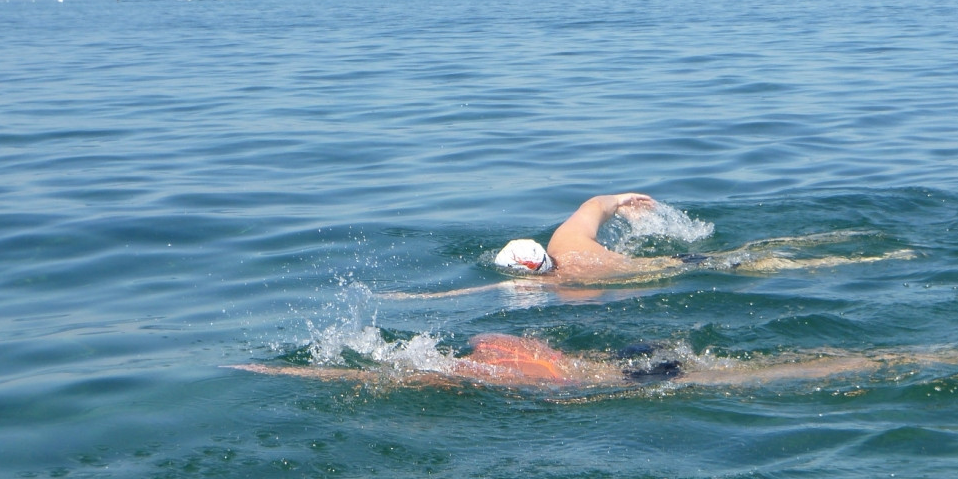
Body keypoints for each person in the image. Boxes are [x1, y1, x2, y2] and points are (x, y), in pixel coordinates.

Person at [387, 193, 916, 298]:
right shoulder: (567, 241)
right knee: (771, 248)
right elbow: (595, 202)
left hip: (675, 271)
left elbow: (462, 297)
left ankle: (872, 257)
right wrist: (624, 199)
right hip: (685, 258)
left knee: (766, 267)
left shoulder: (572, 287)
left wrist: (413, 300)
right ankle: (862, 249)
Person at [232, 332, 958, 392]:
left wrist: (293, 374)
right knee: (755, 367)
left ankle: (889, 362)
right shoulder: (500, 345)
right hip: (628, 361)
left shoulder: (475, 368)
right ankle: (898, 356)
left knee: (763, 377)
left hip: (618, 384)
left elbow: (377, 377)